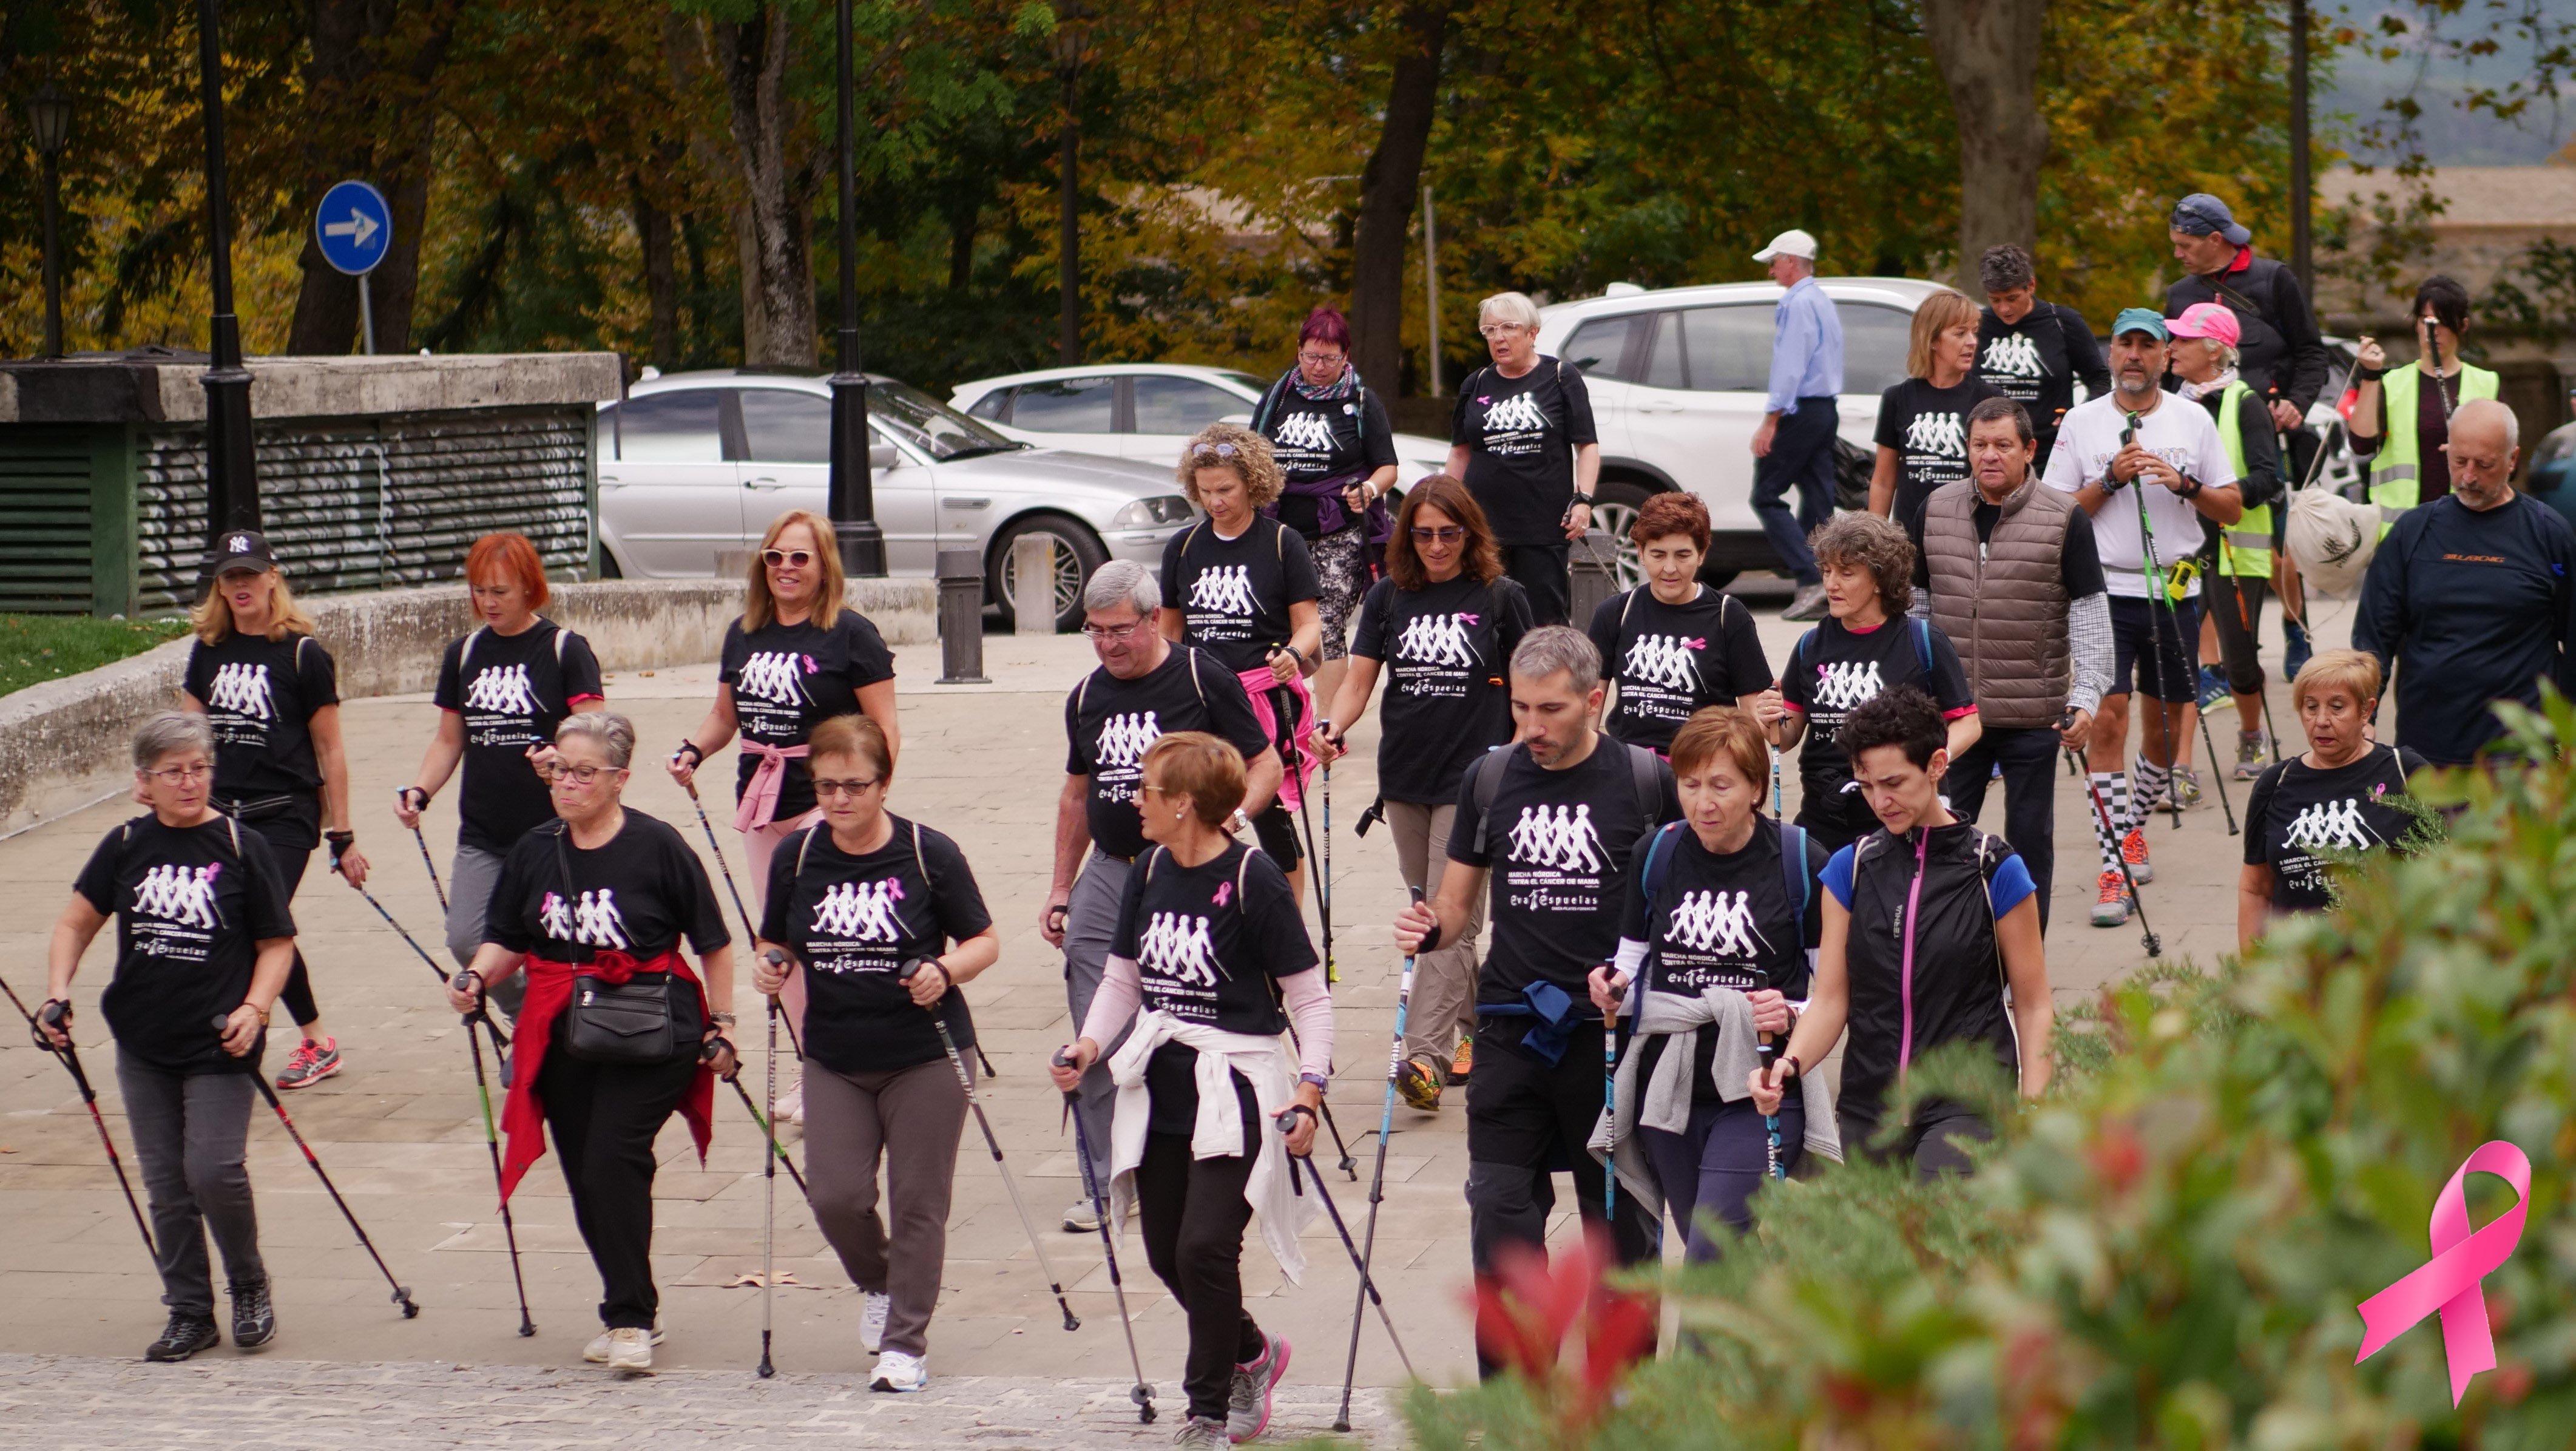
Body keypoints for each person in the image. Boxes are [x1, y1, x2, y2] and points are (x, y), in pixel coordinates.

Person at [1391, 627, 1674, 1375]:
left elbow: (1680, 904)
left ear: (1595, 699)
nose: (1533, 729)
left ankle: (1622, 1400)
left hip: (1610, 1037)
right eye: (1520, 709)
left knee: (1618, 1234)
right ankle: (1520, 1403)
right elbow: (1457, 904)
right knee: (1499, 1221)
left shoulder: (1645, 781)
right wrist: (1428, 925)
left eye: (1551, 710)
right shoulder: (1490, 778)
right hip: (1512, 1028)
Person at [1048, 732, 1330, 1449]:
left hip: (1235, 1086)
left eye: (1146, 791)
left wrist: (1310, 1088)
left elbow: (1309, 997)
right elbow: (1123, 978)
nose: (1131, 800)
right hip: (1164, 1086)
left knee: (1206, 1248)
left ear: (1185, 805)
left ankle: (1206, 1410)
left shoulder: (1252, 878)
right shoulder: (1147, 870)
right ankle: (1253, 1353)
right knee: (1166, 1253)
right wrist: (1087, 1044)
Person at [448, 712, 737, 1375]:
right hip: (563, 1027)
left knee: (613, 1155)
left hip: (654, 1024)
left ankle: (631, 1319)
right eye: (558, 770)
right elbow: (506, 940)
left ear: (619, 779)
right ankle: (630, 1300)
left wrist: (723, 1025)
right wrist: (474, 976)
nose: (567, 783)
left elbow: (713, 943)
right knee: (585, 1171)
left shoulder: (659, 847)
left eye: (583, 772)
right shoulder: (533, 849)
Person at [42, 712, 297, 1362]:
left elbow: (277, 946)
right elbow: (74, 924)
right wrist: (59, 992)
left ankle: (248, 1283)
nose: (190, 783)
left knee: (213, 1171)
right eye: (174, 772)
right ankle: (188, 1309)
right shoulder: (126, 844)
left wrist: (257, 1009)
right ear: (143, 782)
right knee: (165, 1184)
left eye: (200, 769)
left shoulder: (242, 846)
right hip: (143, 1039)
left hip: (221, 1041)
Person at [754, 714, 996, 1395]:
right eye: (826, 786)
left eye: (855, 785)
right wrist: (770, 965)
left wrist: (945, 971)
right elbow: (775, 940)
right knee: (836, 1195)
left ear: (884, 784)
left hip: (925, 1051)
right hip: (833, 1053)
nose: (839, 800)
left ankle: (905, 1346)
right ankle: (880, 1282)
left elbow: (983, 941)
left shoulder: (927, 852)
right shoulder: (797, 856)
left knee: (919, 1201)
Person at [1046, 561, 1283, 1234]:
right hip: (1113, 871)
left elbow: (1264, 762)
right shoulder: (1087, 695)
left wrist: (1232, 827)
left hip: (1192, 875)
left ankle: (1197, 1155)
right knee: (1095, 1026)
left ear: (1154, 619)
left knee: (1188, 1019)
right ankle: (1103, 1179)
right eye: (1094, 632)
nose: (1108, 645)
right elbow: (1076, 793)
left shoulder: (1204, 678)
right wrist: (1062, 888)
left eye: (1120, 630)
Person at [1749, 686, 2053, 1178]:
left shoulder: (1995, 868)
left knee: (1938, 1236)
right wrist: (1790, 1063)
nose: (1879, 801)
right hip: (1871, 1107)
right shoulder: (1848, 871)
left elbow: (2035, 1004)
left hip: (1969, 1104)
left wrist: (2032, 1108)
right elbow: (1830, 999)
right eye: (1865, 785)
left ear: (1936, 765)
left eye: (1893, 782)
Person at [1315, 475, 1535, 1110]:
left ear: (1470, 534)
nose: (1437, 545)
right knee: (1441, 917)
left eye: (1449, 533)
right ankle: (1470, 1031)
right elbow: (1358, 683)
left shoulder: (1499, 597)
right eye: (1424, 533)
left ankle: (1424, 1060)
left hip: (1477, 783)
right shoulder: (1388, 598)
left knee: (1444, 919)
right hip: (1405, 778)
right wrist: (1330, 724)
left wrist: (1520, 759)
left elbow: (1532, 684)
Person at [671, 508, 898, 1121]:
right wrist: (693, 749)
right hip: (761, 802)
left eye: (800, 557)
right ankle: (815, 1067)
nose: (786, 568)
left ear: (825, 566)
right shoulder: (744, 634)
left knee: (832, 938)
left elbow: (884, 730)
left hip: (829, 806)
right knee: (782, 943)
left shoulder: (851, 635)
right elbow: (726, 716)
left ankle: (865, 1060)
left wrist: (861, 802)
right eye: (775, 557)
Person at [1586, 708, 1832, 1260]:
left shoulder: (1798, 860)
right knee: (1721, 1256)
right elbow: (1631, 959)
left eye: (1721, 785)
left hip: (1759, 1086)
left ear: (1754, 786)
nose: (1703, 802)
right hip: (1668, 1089)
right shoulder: (1657, 852)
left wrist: (1791, 1011)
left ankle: (1706, 1350)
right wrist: (1611, 984)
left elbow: (1835, 990)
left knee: (1708, 1254)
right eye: (1690, 784)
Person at [2041, 309, 2243, 925]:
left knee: (2160, 731)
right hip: (2101, 591)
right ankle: (2114, 868)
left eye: (2147, 346)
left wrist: (2182, 483)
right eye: (2123, 343)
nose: (2134, 355)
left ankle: (2130, 829)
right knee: (2109, 719)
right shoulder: (2081, 422)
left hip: (2173, 592)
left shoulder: (2193, 420)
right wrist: (2108, 478)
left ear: (2164, 358)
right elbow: (2053, 511)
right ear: (2110, 355)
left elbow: (2232, 508)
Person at [1907, 397, 2111, 930]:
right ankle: (1952, 950)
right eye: (1979, 445)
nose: (1989, 456)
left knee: (2027, 848)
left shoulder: (2063, 518)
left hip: (2031, 717)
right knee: (1943, 838)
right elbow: (1917, 611)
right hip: (1953, 718)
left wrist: (2084, 698)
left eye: (2002, 445)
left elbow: (2090, 619)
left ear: (2029, 449)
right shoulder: (1934, 509)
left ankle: (2025, 965)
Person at [180, 530, 363, 1091]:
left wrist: (342, 832)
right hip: (221, 811)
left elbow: (330, 748)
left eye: (250, 574)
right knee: (244, 926)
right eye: (230, 576)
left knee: (255, 923)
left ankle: (278, 1037)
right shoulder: (208, 651)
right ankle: (311, 1038)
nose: (241, 586)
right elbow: (187, 736)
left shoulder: (302, 653)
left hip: (283, 813)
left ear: (272, 577)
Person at [396, 531, 606, 1018]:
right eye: (479, 590)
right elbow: (450, 739)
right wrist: (420, 791)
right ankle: (529, 1017)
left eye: (500, 591)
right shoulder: (464, 654)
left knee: (553, 940)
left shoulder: (563, 649)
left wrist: (557, 757)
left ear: (530, 588)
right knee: (467, 940)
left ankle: (554, 1037)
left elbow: (598, 736)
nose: (487, 602)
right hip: (484, 833)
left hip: (555, 832)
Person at [2356, 399, 2576, 766]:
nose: (2468, 477)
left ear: (2512, 459)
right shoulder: (2413, 532)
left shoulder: (2549, 534)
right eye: (2459, 461)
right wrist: (2363, 718)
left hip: (2522, 759)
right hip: (2426, 755)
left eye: (2484, 464)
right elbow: (2373, 637)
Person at [1158, 423, 1324, 899]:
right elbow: (1169, 631)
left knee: (1271, 820)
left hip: (1262, 698)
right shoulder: (1184, 547)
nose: (1215, 501)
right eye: (1205, 491)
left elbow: (1310, 623)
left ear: (1252, 483)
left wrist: (1293, 654)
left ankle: (1288, 925)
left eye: (1225, 489)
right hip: (1200, 696)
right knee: (1195, 809)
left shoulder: (1281, 541)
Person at [1772, 513, 1979, 854]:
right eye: (1826, 571)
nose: (1831, 584)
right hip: (1824, 818)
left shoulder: (1922, 641)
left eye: (1847, 573)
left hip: (1899, 816)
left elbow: (1968, 721)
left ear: (1881, 580)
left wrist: (1928, 762)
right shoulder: (1811, 644)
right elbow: (1787, 736)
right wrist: (1772, 719)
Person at [1251, 305, 1401, 711]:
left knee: (1328, 625)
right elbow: (1253, 456)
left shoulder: (1361, 401)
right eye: (1310, 356)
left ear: (1345, 356)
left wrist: (1368, 489)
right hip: (1281, 531)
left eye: (1329, 358)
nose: (1318, 366)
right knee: (1284, 624)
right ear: (1298, 352)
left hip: (1340, 531)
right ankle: (1290, 711)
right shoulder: (1277, 397)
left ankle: (1330, 724)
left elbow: (1388, 466)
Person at [2239, 651, 2428, 953]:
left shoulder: (2405, 771)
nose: (2322, 721)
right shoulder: (2275, 783)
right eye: (2310, 707)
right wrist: (2253, 976)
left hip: (2387, 968)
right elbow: (2255, 888)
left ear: (2366, 711)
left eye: (2337, 708)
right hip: (2298, 974)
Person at [2165, 303, 2284, 780]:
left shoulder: (2245, 402)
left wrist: (2221, 493)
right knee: (2178, 650)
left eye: (2183, 340)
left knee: (2237, 660)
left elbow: (2268, 479)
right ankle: (2180, 764)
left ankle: (2252, 734)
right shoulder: (2171, 405)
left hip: (2234, 554)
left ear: (2214, 350)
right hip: (2184, 554)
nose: (2171, 347)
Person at [1446, 291, 1602, 626]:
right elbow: (1460, 452)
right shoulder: (1476, 384)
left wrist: (1583, 499)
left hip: (1542, 524)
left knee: (1542, 621)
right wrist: (1446, 506)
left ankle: (1549, 680)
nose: (1499, 338)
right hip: (1484, 525)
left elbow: (1587, 445)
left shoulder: (1560, 377)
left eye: (1508, 328)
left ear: (1533, 333)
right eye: (1489, 331)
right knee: (1486, 619)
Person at [1584, 492, 1774, 757]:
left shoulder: (1728, 616)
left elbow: (1753, 716)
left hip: (1703, 763)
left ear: (1702, 554)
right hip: (1631, 765)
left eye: (1683, 555)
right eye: (1658, 555)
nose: (1670, 568)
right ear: (1640, 552)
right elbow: (1590, 705)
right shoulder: (1614, 613)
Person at [2163, 192, 2331, 444]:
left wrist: (2297, 402)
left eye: (2185, 245)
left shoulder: (2275, 279)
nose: (2177, 254)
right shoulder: (2178, 294)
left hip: (2263, 433)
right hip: (2193, 434)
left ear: (2215, 240)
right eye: (2175, 244)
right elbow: (2166, 370)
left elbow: (2312, 353)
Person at [2348, 276, 2501, 535]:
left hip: (2467, 531)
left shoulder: (2486, 384)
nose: (2434, 331)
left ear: (2463, 326)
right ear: (2416, 324)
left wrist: (2472, 453)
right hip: (2401, 534)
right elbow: (2361, 444)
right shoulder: (2394, 382)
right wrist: (2371, 375)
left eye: (2443, 322)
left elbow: (2510, 463)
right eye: (2426, 321)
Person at [1749, 228, 1844, 623]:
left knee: (1766, 495)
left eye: (1774, 262)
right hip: (1824, 408)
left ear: (1790, 261)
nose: (1771, 271)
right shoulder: (1821, 300)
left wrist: (1771, 419)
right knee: (1819, 498)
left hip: (1801, 409)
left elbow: (1790, 365)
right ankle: (1830, 575)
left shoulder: (1796, 302)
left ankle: (1812, 578)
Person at [1868, 288, 2005, 527]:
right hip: (1910, 538)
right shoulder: (1897, 398)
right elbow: (1883, 480)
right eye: (1960, 333)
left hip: (1968, 537)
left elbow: (2003, 476)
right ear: (1932, 340)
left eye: (1974, 332)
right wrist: (1874, 538)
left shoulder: (1988, 398)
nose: (1972, 342)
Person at [1974, 245, 2108, 466]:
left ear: (2032, 286)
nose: (2004, 309)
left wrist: (2077, 418)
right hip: (1990, 456)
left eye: (2012, 298)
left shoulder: (2063, 322)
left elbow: (2100, 378)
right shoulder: (1976, 326)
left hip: (2050, 454)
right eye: (1995, 300)